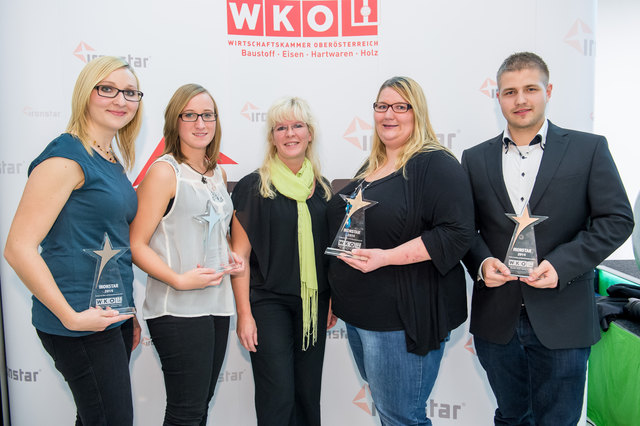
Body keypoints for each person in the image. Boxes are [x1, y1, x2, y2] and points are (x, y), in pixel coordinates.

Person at [461, 52, 634, 425]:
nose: (520, 100)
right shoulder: (474, 159)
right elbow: (464, 229)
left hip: (564, 315)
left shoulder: (588, 149)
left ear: (548, 91)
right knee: (511, 417)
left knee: (558, 420)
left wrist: (562, 264)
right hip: (498, 320)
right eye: (510, 92)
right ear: (498, 97)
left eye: (530, 89)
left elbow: (617, 219)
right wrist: (481, 262)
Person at [4, 56, 144, 425]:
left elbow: (113, 240)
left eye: (130, 92)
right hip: (78, 320)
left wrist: (128, 312)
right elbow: (18, 248)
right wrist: (70, 316)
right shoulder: (66, 158)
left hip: (110, 316)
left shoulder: (110, 159)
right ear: (86, 93)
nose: (121, 100)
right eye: (108, 89)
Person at [327, 76, 475, 426]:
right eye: (381, 106)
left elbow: (458, 232)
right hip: (362, 316)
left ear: (416, 112)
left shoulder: (434, 164)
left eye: (400, 106)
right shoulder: (371, 169)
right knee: (391, 411)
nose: (388, 114)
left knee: (401, 417)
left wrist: (388, 257)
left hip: (402, 320)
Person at [130, 83, 243, 426]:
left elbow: (213, 232)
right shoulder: (165, 172)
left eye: (207, 115)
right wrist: (178, 279)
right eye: (190, 115)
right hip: (176, 308)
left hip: (217, 303)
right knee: (186, 410)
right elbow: (136, 244)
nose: (200, 124)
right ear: (174, 122)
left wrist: (230, 256)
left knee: (200, 405)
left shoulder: (218, 172)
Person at [230, 97, 335, 426]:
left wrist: (330, 300)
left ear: (310, 134)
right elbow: (240, 257)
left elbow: (327, 255)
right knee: (277, 395)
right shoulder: (253, 187)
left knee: (306, 394)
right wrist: (244, 315)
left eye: (297, 126)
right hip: (267, 304)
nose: (290, 133)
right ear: (273, 136)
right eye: (281, 127)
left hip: (312, 306)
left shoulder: (323, 191)